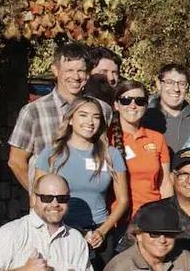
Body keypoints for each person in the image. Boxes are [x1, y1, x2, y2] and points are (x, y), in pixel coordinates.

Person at [32, 96, 127, 254]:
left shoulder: (111, 155)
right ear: (70, 119)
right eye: (83, 115)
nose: (90, 122)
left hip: (99, 233)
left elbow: (123, 200)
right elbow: (36, 198)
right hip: (61, 230)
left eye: (96, 117)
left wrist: (102, 232)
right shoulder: (52, 154)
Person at [8, 44, 89, 191]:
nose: (76, 77)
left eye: (81, 71)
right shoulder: (34, 111)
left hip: (90, 206)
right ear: (55, 71)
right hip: (50, 207)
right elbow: (16, 161)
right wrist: (37, 195)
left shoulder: (101, 110)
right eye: (69, 70)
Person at [114, 81, 172, 216]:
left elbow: (165, 184)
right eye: (126, 101)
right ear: (116, 105)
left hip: (152, 216)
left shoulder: (157, 138)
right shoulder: (107, 138)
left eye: (139, 101)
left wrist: (167, 215)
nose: (133, 106)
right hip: (118, 219)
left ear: (146, 106)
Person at [155, 63, 190, 152]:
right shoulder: (145, 119)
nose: (176, 89)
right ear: (159, 84)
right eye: (169, 82)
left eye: (182, 84)